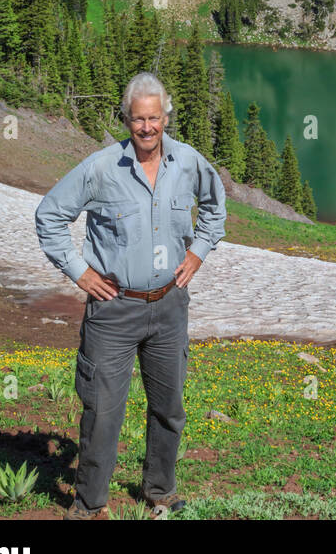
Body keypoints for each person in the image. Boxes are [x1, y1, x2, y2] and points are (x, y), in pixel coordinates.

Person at [35, 71, 226, 519]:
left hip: (169, 304)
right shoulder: (101, 168)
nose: (146, 128)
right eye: (138, 119)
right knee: (102, 412)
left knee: (169, 408)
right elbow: (49, 215)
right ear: (126, 119)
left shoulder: (189, 162)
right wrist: (79, 272)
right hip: (113, 309)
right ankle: (89, 505)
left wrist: (198, 251)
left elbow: (216, 208)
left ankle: (160, 490)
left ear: (166, 117)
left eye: (154, 118)